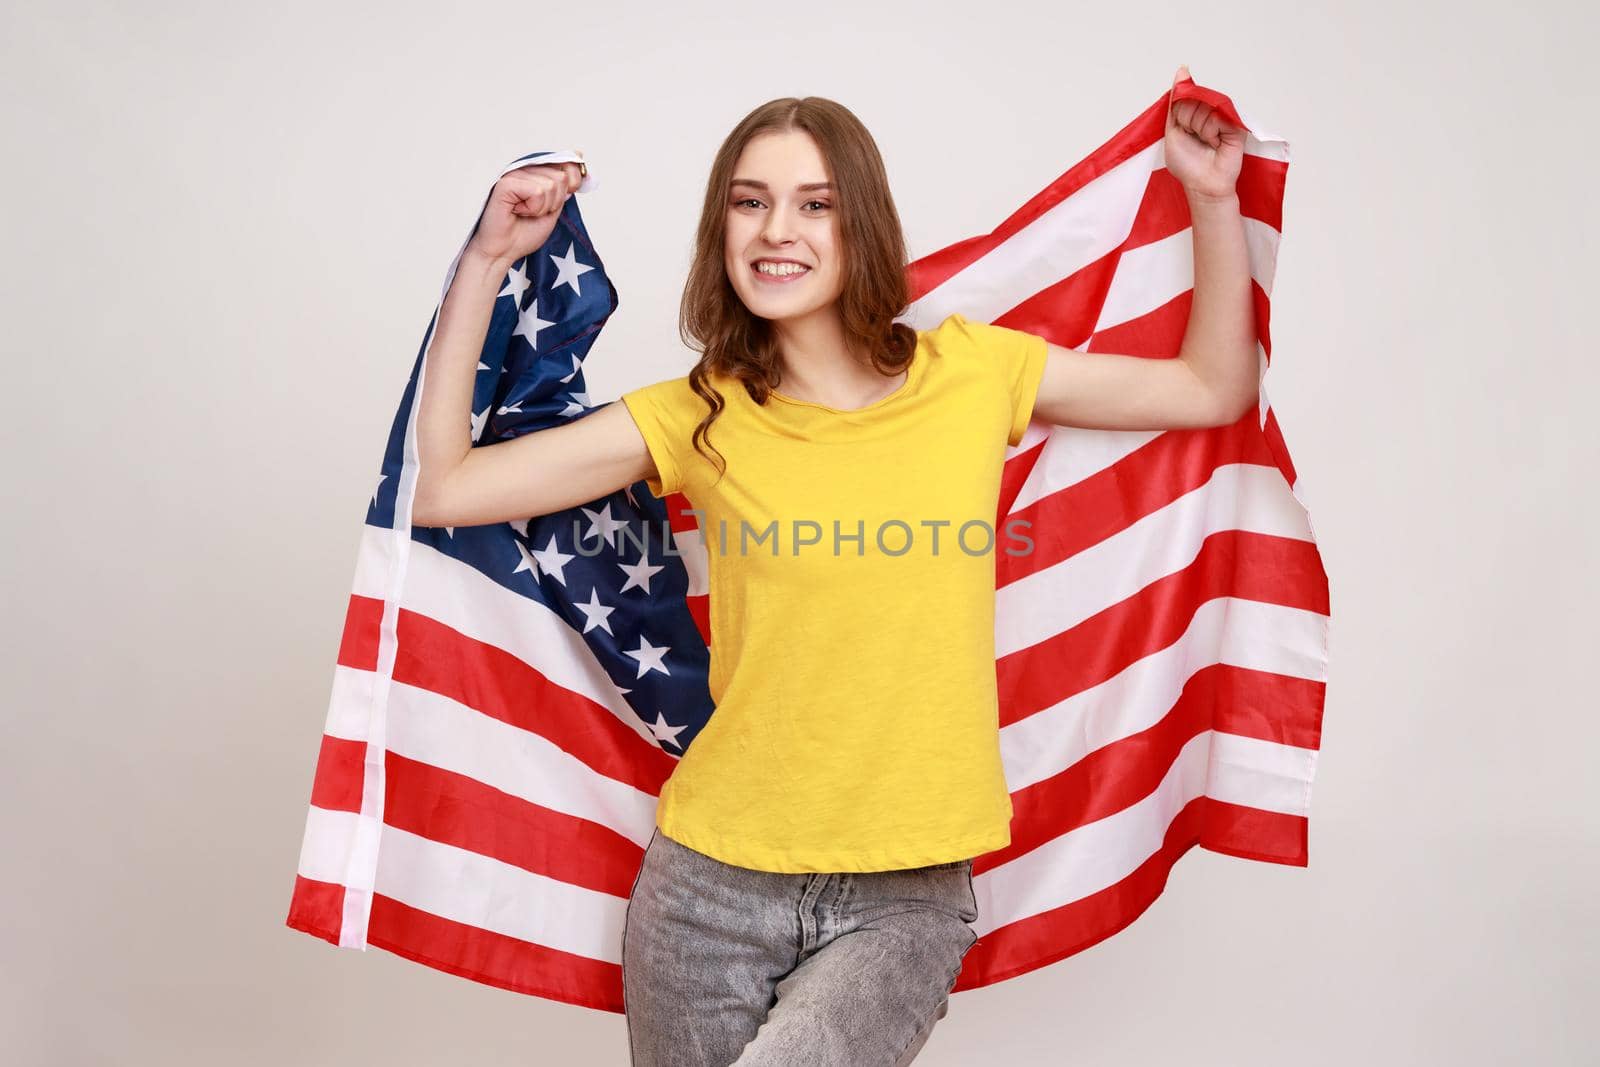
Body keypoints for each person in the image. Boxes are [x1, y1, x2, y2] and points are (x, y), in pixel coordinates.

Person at [410, 65, 1255, 1067]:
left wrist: (1210, 198)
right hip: (705, 889)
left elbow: (1211, 386)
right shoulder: (696, 412)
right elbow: (446, 489)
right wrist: (487, 258)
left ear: (860, 226)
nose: (778, 230)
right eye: (750, 202)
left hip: (902, 894)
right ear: (720, 232)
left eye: (814, 204)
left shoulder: (974, 371)